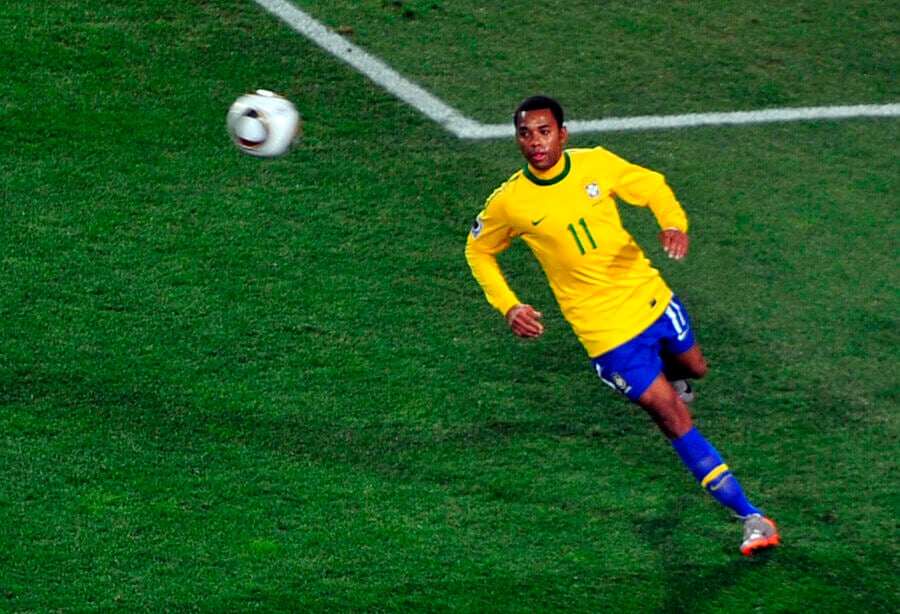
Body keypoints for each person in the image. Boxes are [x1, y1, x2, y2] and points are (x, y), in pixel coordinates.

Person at [465, 95, 779, 556]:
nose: (535, 141)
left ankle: (675, 374)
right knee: (671, 416)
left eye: (544, 131)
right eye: (525, 133)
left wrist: (673, 224)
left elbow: (650, 185)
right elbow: (478, 250)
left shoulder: (596, 164)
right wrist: (508, 305)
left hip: (649, 298)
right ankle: (751, 516)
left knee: (695, 368)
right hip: (605, 334)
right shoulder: (509, 202)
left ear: (563, 134)